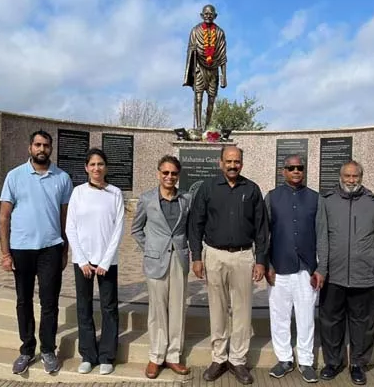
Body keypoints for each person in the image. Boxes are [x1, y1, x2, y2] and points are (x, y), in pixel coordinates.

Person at [188, 146, 268, 385]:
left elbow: (262, 229)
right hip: (214, 255)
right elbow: (196, 223)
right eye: (229, 161)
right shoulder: (208, 188)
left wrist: (261, 260)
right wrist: (197, 256)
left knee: (243, 310)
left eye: (237, 161)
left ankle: (238, 360)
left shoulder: (252, 189)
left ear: (242, 163)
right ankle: (219, 358)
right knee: (218, 309)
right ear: (220, 163)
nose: (233, 165)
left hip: (243, 256)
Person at [0, 130, 73, 375]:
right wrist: (5, 253)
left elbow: (65, 217)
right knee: (23, 301)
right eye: (38, 145)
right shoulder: (15, 176)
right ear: (30, 147)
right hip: (21, 249)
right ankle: (27, 349)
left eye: (46, 145)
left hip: (51, 248)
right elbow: (4, 216)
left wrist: (65, 249)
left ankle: (49, 349)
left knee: (49, 302)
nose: (42, 149)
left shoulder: (62, 178)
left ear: (51, 149)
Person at [314, 160, 374, 385]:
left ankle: (357, 364)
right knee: (330, 321)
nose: (351, 180)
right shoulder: (326, 201)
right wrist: (324, 267)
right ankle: (333, 363)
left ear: (361, 177)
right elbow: (322, 236)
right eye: (347, 176)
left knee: (363, 322)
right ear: (340, 177)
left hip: (363, 276)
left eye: (355, 176)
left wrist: (363, 254)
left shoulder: (373, 203)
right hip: (333, 275)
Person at [131, 155, 192, 379]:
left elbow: (191, 227)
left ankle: (173, 356)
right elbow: (136, 228)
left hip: (179, 259)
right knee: (157, 310)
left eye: (173, 173)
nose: (169, 177)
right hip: (155, 261)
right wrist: (150, 248)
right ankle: (156, 356)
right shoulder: (147, 199)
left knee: (177, 308)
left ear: (178, 176)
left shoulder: (186, 199)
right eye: (165, 172)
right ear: (159, 173)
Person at [65, 148, 124, 376]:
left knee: (109, 308)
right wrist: (81, 259)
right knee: (84, 307)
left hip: (107, 263)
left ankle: (107, 355)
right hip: (84, 263)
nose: (97, 168)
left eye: (100, 164)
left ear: (105, 167)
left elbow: (118, 228)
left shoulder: (115, 193)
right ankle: (88, 355)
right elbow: (71, 227)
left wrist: (105, 261)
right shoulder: (78, 193)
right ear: (86, 168)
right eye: (92, 164)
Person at [264, 155, 321, 383]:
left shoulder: (316, 199)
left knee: (306, 317)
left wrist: (321, 268)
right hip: (279, 268)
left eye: (300, 167)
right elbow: (263, 234)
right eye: (291, 168)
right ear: (283, 171)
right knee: (279, 317)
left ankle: (306, 361)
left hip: (306, 269)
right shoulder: (272, 197)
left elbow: (323, 235)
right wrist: (266, 263)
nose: (296, 171)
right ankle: (285, 359)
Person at [183, 4, 228, 130]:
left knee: (211, 100)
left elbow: (223, 56)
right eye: (206, 14)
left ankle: (208, 127)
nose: (208, 16)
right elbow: (190, 50)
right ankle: (198, 126)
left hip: (213, 70)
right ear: (202, 15)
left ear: (215, 16)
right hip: (199, 68)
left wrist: (224, 76)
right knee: (198, 98)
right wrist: (193, 52)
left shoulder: (219, 33)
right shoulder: (195, 31)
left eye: (211, 14)